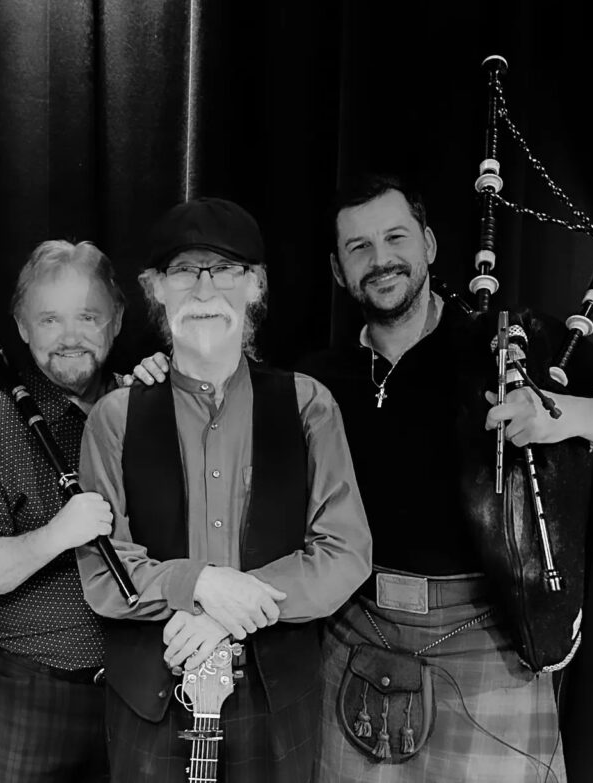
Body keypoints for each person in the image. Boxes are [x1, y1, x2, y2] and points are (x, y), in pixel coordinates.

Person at [296, 173, 593, 781]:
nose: (381, 259)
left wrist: (562, 418)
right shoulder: (315, 382)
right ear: (337, 269)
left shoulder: (512, 344)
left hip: (488, 647)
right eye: (359, 247)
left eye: (396, 237)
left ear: (429, 244)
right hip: (353, 639)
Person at [76, 197, 373, 783]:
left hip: (276, 704)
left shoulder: (308, 405)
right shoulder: (116, 417)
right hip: (152, 698)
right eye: (185, 271)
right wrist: (201, 583)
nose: (204, 289)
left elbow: (345, 553)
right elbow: (104, 572)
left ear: (255, 285)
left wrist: (225, 610)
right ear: (156, 288)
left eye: (225, 270)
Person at [0, 240, 124, 782]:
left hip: (139, 688)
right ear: (22, 328)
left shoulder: (145, 407)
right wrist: (56, 534)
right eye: (50, 319)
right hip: (31, 688)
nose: (70, 337)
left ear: (117, 321)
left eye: (87, 316)